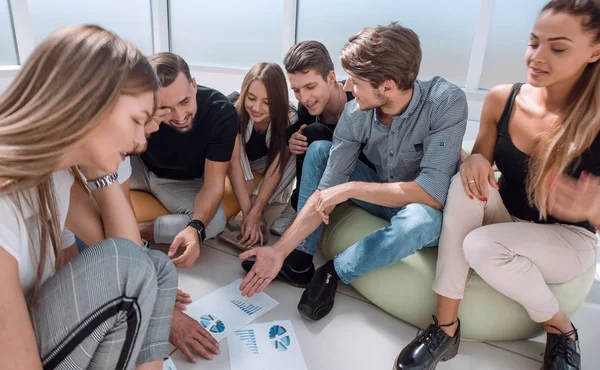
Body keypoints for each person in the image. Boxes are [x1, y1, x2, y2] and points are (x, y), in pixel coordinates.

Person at [394, 1, 600, 369]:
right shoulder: (502, 99)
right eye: (533, 42)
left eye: (558, 47)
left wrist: (591, 207)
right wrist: (475, 158)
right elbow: (482, 161)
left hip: (567, 239)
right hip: (507, 216)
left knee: (482, 246)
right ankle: (445, 328)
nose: (537, 56)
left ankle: (561, 328)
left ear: (594, 51)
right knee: (463, 184)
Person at [239, 23, 468, 323]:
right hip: (381, 190)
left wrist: (350, 189)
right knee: (320, 150)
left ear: (387, 85)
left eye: (356, 81)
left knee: (418, 221)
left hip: (422, 205)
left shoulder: (445, 101)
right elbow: (326, 190)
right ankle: (299, 260)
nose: (347, 88)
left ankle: (334, 270)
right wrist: (279, 250)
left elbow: (433, 194)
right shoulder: (355, 113)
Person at [0, 25, 177, 369]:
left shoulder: (55, 175)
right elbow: (123, 263)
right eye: (137, 121)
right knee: (129, 265)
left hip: (37, 325)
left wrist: (98, 167)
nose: (142, 141)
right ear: (90, 105)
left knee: (157, 266)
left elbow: (128, 256)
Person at [131, 52, 239, 269]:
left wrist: (195, 227)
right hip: (137, 165)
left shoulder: (221, 113)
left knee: (214, 222)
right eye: (165, 108)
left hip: (178, 182)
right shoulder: (138, 112)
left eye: (185, 101)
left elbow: (213, 183)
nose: (180, 117)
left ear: (194, 85)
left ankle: (136, 231)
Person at [269, 41, 360, 236]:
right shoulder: (307, 109)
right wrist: (291, 139)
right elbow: (295, 130)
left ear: (331, 77)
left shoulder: (359, 99)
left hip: (356, 174)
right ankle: (297, 205)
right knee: (309, 132)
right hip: (325, 177)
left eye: (310, 86)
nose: (304, 97)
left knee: (316, 132)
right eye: (296, 90)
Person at [226, 62, 298, 247]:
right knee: (228, 149)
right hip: (238, 163)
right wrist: (250, 213)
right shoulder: (233, 109)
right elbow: (235, 162)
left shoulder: (290, 117)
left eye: (267, 102)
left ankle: (257, 213)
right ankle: (251, 217)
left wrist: (257, 211)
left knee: (297, 151)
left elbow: (277, 168)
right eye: (251, 98)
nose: (257, 108)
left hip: (269, 164)